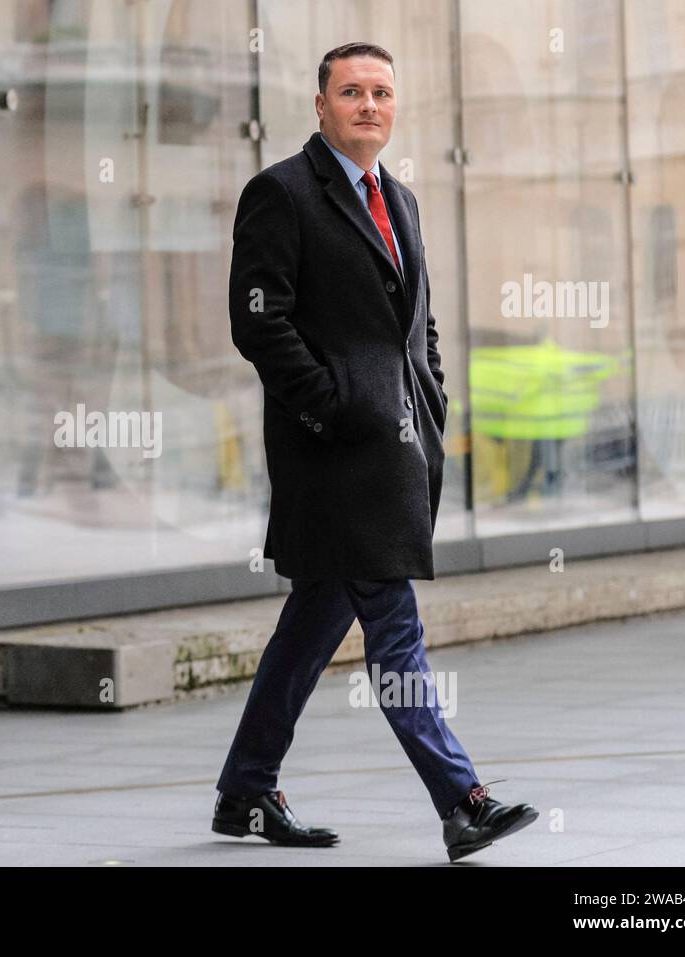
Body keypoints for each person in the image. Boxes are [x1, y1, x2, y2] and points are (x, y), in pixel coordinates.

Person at [212, 43, 537, 861]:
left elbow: (414, 324)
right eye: (351, 91)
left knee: (312, 624)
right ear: (320, 105)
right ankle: (461, 800)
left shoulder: (401, 197)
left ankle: (247, 789)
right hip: (333, 458)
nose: (368, 105)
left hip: (394, 450)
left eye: (382, 92)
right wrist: (331, 405)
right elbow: (258, 320)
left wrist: (429, 396)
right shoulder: (281, 193)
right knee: (396, 632)